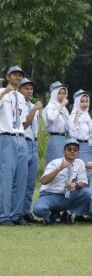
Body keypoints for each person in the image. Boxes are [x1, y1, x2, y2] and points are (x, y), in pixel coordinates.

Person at [33, 138, 90, 224]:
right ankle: (50, 218)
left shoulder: (80, 163)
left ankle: (68, 214)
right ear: (64, 151)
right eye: (69, 149)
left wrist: (75, 185)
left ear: (78, 152)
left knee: (86, 192)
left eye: (75, 150)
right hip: (50, 195)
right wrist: (59, 168)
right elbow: (44, 181)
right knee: (39, 210)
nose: (72, 151)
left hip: (67, 196)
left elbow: (83, 182)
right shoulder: (55, 163)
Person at [0, 66, 29, 226]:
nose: (17, 77)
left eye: (20, 75)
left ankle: (16, 214)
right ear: (8, 76)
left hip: (20, 137)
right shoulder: (1, 92)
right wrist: (5, 91)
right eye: (14, 75)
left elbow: (23, 121)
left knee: (21, 178)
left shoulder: (20, 97)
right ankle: (4, 215)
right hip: (6, 137)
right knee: (6, 178)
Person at [18, 78, 42, 223]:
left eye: (31, 89)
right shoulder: (19, 105)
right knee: (20, 180)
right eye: (26, 88)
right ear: (20, 90)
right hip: (23, 142)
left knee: (31, 182)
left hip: (34, 143)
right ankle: (18, 212)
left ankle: (27, 211)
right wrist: (34, 109)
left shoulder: (33, 105)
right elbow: (24, 125)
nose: (29, 91)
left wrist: (34, 108)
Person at [43, 81, 71, 163]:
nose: (62, 95)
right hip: (55, 138)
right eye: (60, 93)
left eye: (64, 93)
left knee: (65, 163)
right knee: (56, 163)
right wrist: (62, 105)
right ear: (55, 94)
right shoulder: (50, 106)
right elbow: (51, 117)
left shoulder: (65, 109)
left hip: (65, 138)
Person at [70, 89, 92, 163]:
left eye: (86, 101)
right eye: (82, 101)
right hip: (78, 147)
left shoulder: (88, 117)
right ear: (77, 102)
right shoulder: (73, 116)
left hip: (89, 146)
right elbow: (73, 134)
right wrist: (77, 117)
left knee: (89, 170)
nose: (85, 104)